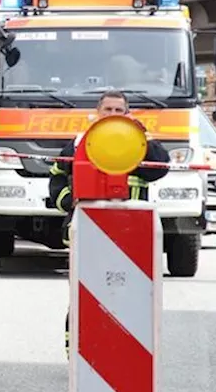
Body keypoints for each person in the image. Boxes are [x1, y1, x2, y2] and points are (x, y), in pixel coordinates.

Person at [47, 90, 169, 355]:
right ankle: (77, 350)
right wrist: (70, 203)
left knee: (129, 294)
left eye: (119, 111)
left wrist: (142, 138)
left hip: (129, 234)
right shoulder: (81, 143)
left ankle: (123, 350)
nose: (113, 115)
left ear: (128, 114)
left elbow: (160, 168)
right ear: (97, 113)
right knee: (83, 295)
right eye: (108, 110)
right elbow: (56, 178)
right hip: (86, 232)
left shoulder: (137, 142)